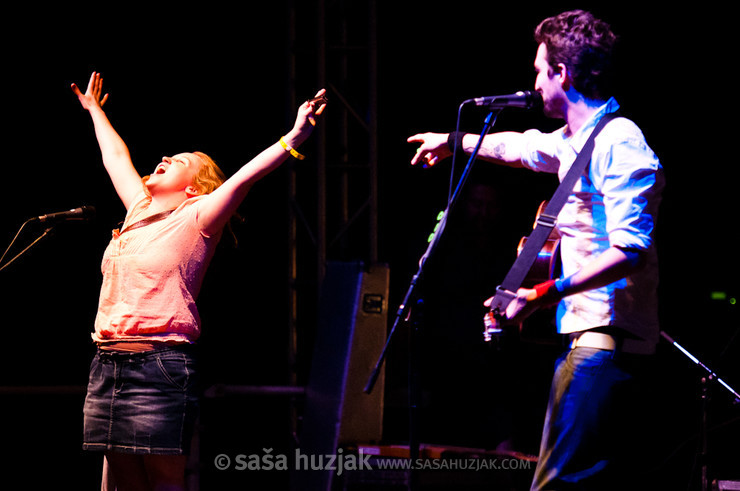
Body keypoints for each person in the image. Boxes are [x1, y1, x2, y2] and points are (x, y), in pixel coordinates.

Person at [407, 10, 663, 490]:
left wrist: (543, 292)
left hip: (603, 346)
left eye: (538, 69)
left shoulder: (620, 142)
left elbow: (631, 250)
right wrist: (454, 141)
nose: (534, 81)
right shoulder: (576, 141)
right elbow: (520, 147)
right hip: (584, 343)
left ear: (561, 74)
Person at [71, 71, 326, 490]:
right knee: (116, 483)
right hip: (107, 364)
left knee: (164, 482)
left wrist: (293, 139)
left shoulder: (198, 217)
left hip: (158, 366)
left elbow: (245, 176)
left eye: (183, 160)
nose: (169, 157)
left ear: (194, 189)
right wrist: (95, 110)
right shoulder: (137, 210)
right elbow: (115, 158)